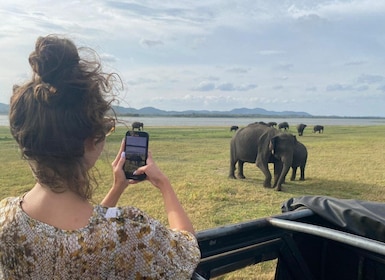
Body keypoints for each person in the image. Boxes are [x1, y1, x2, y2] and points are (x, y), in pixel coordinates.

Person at [0, 35, 200, 279]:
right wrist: (164, 185)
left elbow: (74, 236)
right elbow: (187, 248)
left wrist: (116, 189)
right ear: (90, 140)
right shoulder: (129, 234)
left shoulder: (5, 218)